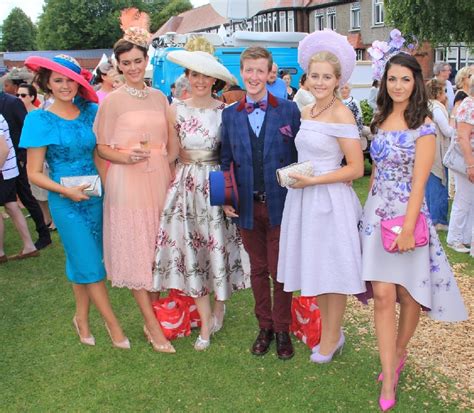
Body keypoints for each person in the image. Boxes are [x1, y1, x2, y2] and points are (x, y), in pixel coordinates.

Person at [359, 52, 467, 411]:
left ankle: (400, 351)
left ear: (416, 82)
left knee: (409, 296)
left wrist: (407, 228)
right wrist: (365, 217)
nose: (398, 85)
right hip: (376, 216)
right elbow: (375, 172)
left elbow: (420, 182)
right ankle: (389, 374)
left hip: (409, 216)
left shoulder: (422, 123)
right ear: (384, 82)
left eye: (405, 79)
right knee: (384, 295)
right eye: (392, 79)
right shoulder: (378, 118)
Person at [19, 54, 129, 349]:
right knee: (91, 264)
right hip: (65, 202)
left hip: (95, 198)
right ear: (46, 83)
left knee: (82, 259)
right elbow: (33, 173)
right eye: (58, 80)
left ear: (79, 82)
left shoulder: (92, 111)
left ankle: (81, 318)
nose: (65, 86)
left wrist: (109, 195)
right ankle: (113, 326)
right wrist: (65, 192)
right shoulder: (38, 119)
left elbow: (99, 156)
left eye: (70, 80)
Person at [277, 30, 366, 365]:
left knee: (334, 270)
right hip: (305, 199)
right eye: (314, 75)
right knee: (319, 268)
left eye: (326, 77)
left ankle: (332, 338)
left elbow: (356, 168)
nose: (319, 81)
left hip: (329, 201)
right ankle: (330, 333)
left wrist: (314, 180)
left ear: (337, 79)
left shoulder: (341, 113)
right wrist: (297, 175)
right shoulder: (308, 111)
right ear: (307, 77)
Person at [153, 50, 249, 351]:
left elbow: (232, 155)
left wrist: (232, 192)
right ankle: (205, 323)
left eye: (206, 75)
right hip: (185, 185)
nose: (200, 81)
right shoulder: (175, 108)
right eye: (195, 75)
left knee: (217, 246)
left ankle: (220, 307)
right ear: (187, 77)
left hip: (216, 184)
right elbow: (171, 153)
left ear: (215, 80)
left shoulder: (227, 111)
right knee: (193, 250)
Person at [94, 8, 175, 353]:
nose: (132, 67)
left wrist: (167, 168)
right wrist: (125, 157)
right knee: (135, 251)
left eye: (137, 61)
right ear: (117, 66)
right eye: (125, 63)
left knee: (155, 251)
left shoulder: (160, 98)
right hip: (127, 181)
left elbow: (173, 145)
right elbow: (101, 148)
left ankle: (150, 317)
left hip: (158, 180)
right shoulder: (112, 102)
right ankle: (154, 326)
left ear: (146, 61)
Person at [221, 46, 301, 360]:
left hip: (281, 202)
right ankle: (264, 326)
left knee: (280, 270)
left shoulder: (288, 110)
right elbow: (224, 159)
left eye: (260, 70)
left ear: (269, 74)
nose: (253, 77)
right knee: (258, 269)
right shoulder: (229, 114)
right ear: (242, 72)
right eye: (248, 70)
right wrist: (226, 199)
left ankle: (283, 328)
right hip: (247, 206)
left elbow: (298, 157)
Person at [0, 77, 52, 250]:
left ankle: (43, 235)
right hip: (8, 161)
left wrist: (23, 157)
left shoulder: (12, 102)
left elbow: (26, 129)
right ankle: (33, 241)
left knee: (27, 198)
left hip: (15, 159)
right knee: (12, 203)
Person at [17, 83, 55, 231]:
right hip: (28, 155)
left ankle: (53, 219)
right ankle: (46, 217)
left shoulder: (40, 112)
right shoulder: (21, 112)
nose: (20, 98)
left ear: (32, 97)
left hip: (44, 158)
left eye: (23, 95)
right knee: (36, 190)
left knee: (46, 190)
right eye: (18, 95)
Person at [0, 115, 38, 263]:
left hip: (3, 171)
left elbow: (3, 149)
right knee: (11, 206)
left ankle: (1, 253)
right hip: (7, 170)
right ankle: (29, 246)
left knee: (11, 207)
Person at [447, 76, 474, 255]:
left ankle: (464, 238)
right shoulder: (469, 105)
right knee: (464, 200)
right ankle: (455, 238)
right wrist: (471, 165)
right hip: (467, 160)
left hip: (468, 159)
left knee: (467, 201)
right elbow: (463, 137)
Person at [425, 79, 454, 231]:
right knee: (437, 184)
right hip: (437, 151)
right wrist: (457, 126)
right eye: (444, 91)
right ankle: (438, 220)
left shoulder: (428, 105)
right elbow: (447, 130)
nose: (446, 94)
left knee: (431, 185)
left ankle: (431, 217)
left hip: (431, 150)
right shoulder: (436, 108)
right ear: (437, 93)